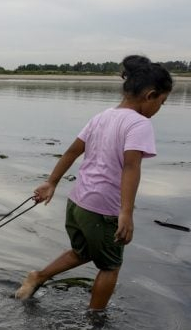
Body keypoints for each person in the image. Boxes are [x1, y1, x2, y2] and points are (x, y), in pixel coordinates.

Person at [14, 55, 174, 311]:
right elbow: (132, 167)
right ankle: (96, 320)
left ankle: (38, 277)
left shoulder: (102, 116)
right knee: (110, 266)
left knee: (83, 252)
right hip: (103, 208)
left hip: (77, 203)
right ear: (150, 95)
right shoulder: (139, 123)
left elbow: (71, 151)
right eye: (162, 102)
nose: (160, 108)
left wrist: (51, 182)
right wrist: (126, 212)